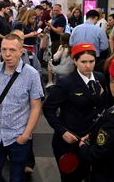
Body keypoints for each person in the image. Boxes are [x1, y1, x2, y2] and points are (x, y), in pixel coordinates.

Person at [43, 43, 109, 182]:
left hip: (93, 140)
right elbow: (48, 108)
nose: (88, 65)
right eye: (83, 62)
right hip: (70, 141)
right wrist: (62, 131)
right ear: (75, 61)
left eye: (91, 61)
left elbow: (103, 105)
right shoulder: (66, 83)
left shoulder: (100, 78)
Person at [0, 34, 43, 182]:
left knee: (17, 177)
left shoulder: (31, 75)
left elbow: (36, 108)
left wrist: (25, 136)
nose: (7, 54)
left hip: (18, 136)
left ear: (21, 51)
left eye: (12, 50)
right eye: (4, 49)